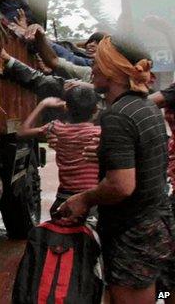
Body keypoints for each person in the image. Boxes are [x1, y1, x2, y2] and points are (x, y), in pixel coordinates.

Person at [58, 36, 174, 302]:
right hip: (157, 226)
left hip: (132, 235)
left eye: (97, 62)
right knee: (162, 294)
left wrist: (84, 198)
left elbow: (122, 185)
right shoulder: (146, 107)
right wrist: (105, 154)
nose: (93, 68)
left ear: (112, 69)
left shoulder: (118, 115)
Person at [17, 87, 101, 217]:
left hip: (64, 199)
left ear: (66, 107)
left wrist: (42, 104)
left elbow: (22, 132)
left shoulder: (55, 128)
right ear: (95, 110)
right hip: (92, 200)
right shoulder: (100, 133)